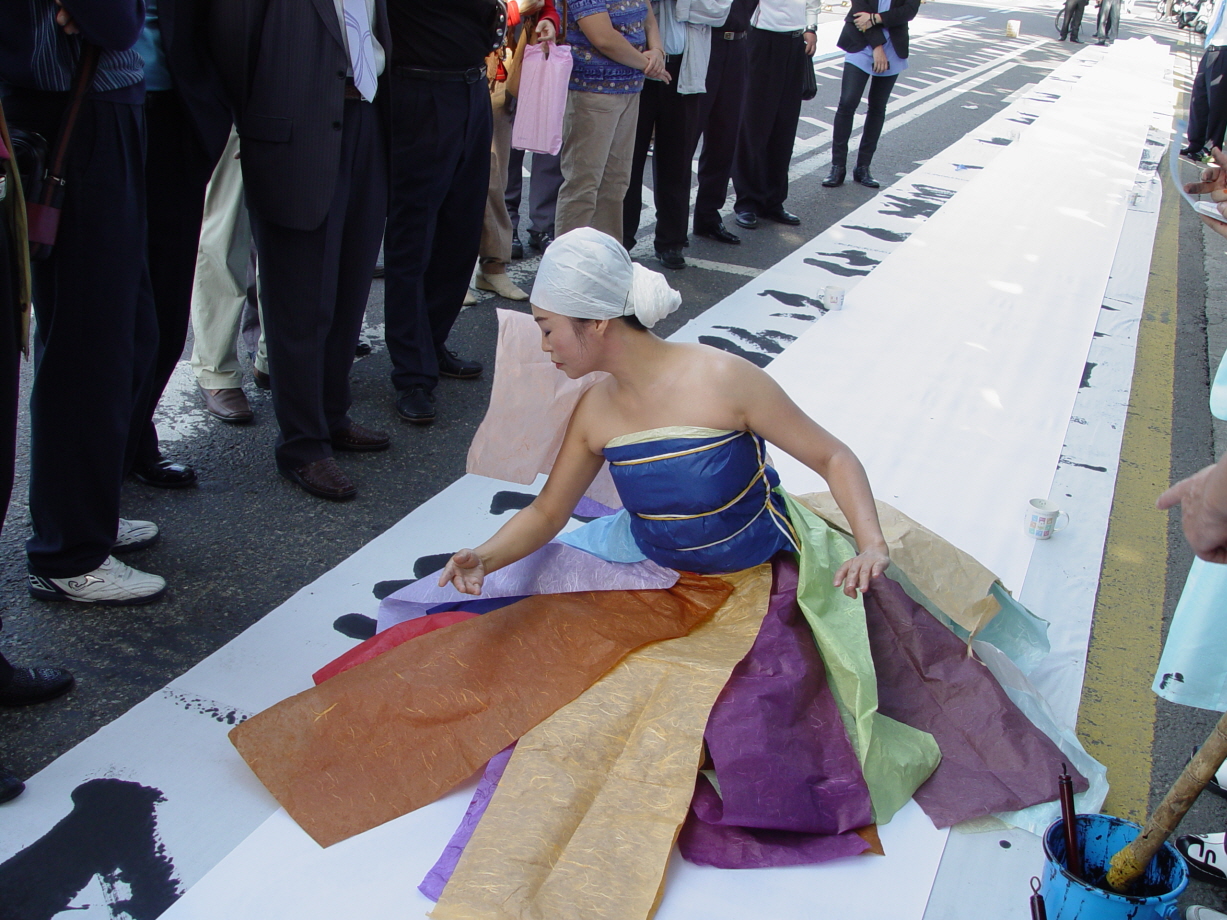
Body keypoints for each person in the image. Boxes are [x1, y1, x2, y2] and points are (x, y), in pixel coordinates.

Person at [439, 226, 892, 597]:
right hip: (656, 578)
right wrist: (485, 558)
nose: (543, 346)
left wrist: (870, 544)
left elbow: (832, 456)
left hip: (766, 574)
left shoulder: (724, 378)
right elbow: (547, 512)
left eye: (547, 329)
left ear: (595, 321)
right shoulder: (594, 410)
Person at [3, 1, 169, 603]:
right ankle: (69, 550)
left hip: (97, 104)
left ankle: (83, 516)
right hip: (69, 110)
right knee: (87, 340)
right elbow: (117, 21)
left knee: (126, 329)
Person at [207, 0, 392, 501]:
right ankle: (303, 445)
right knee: (299, 302)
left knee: (349, 289)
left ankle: (331, 415)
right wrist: (260, 127)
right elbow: (233, 45)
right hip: (293, 132)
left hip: (365, 115)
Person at [382, 0, 501, 427]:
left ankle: (431, 345)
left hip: (471, 88)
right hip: (419, 88)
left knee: (460, 233)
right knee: (413, 238)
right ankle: (412, 373)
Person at [131, 0, 231, 485]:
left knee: (166, 305)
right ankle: (90, 462)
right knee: (98, 307)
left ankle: (134, 437)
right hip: (93, 112)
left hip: (175, 113)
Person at [554, 0, 669, 242]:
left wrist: (658, 51)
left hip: (630, 89)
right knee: (583, 184)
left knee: (616, 183)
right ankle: (569, 258)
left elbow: (648, 17)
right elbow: (603, 38)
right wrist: (649, 64)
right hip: (591, 91)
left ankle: (606, 255)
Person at [474, 0, 560, 301]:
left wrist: (548, 19)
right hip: (461, 66)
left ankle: (493, 267)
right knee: (456, 178)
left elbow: (545, 5)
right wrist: (513, 8)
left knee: (496, 178)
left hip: (506, 70)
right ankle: (447, 272)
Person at [621, 0, 704, 270]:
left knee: (677, 159)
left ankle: (671, 241)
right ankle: (621, 240)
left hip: (684, 67)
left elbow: (718, 10)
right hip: (637, 65)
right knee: (628, 159)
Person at [731, 0, 821, 230]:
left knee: (785, 124)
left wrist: (811, 27)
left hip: (795, 40)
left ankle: (774, 200)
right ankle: (747, 202)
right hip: (762, 37)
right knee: (753, 124)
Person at [822, 0, 920, 190]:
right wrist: (877, 47)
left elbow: (909, 10)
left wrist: (876, 18)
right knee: (847, 102)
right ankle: (837, 167)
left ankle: (863, 167)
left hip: (893, 44)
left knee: (877, 107)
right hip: (861, 39)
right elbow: (860, 11)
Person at [690, 0, 756, 246]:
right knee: (686, 137)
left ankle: (708, 216)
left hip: (739, 45)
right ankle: (671, 228)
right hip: (704, 40)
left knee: (725, 138)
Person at [1183, 0, 1227, 162]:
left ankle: (1210, 148)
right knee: (1199, 98)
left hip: (1224, 50)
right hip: (1212, 46)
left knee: (1217, 103)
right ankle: (1195, 143)